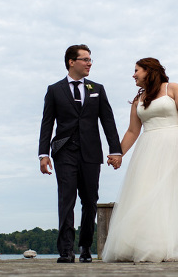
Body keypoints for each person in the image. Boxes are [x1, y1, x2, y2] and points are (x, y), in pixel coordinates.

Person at [101, 57, 178, 263]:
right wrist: (118, 154)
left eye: (137, 70)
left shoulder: (173, 88)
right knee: (142, 191)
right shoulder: (138, 100)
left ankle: (159, 246)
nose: (133, 75)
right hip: (147, 146)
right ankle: (137, 244)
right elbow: (132, 131)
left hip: (173, 144)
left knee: (163, 193)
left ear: (149, 70)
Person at [39, 44, 122, 263]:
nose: (89, 63)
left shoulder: (97, 89)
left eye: (90, 60)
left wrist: (116, 151)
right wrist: (43, 154)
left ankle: (85, 247)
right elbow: (47, 124)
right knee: (66, 199)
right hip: (64, 151)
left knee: (89, 200)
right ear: (71, 62)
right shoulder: (54, 90)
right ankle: (66, 250)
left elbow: (108, 121)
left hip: (91, 152)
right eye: (85, 59)